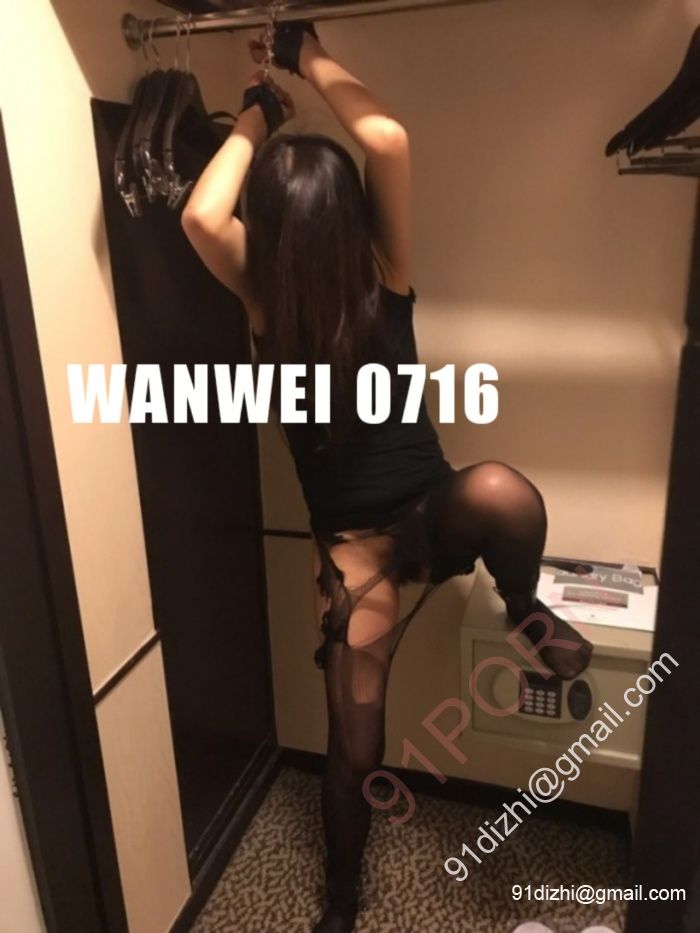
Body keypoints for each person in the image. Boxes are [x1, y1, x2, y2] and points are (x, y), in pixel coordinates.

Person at [181, 22, 593, 933]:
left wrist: (263, 104)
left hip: (432, 511)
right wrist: (290, 75)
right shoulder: (269, 294)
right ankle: (341, 902)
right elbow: (374, 144)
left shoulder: (378, 275)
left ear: (274, 228)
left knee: (504, 492)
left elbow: (225, 209)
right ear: (347, 214)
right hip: (354, 552)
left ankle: (522, 606)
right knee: (354, 744)